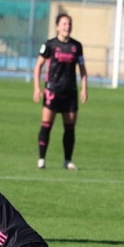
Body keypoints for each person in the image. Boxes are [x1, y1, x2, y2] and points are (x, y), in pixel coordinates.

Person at [32, 13, 88, 171]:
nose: (67, 27)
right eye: (64, 24)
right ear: (57, 26)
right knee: (46, 125)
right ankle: (41, 159)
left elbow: (83, 69)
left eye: (69, 24)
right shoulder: (49, 45)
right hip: (52, 91)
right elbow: (38, 66)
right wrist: (37, 87)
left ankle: (67, 160)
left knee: (70, 128)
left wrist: (84, 88)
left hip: (70, 93)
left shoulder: (76, 46)